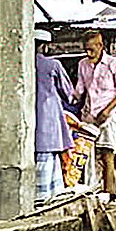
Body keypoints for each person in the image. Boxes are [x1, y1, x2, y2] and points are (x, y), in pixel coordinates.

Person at [73, 31, 116, 196]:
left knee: (107, 156)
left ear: (100, 46)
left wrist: (107, 110)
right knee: (86, 157)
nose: (88, 53)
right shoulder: (83, 64)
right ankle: (90, 193)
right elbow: (80, 90)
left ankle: (109, 193)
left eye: (91, 49)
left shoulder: (114, 63)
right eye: (86, 50)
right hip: (88, 116)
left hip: (107, 117)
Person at [34, 30, 74, 203]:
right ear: (45, 46)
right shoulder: (53, 65)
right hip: (48, 117)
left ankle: (39, 195)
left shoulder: (19, 62)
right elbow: (69, 94)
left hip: (27, 120)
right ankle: (45, 197)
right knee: (49, 158)